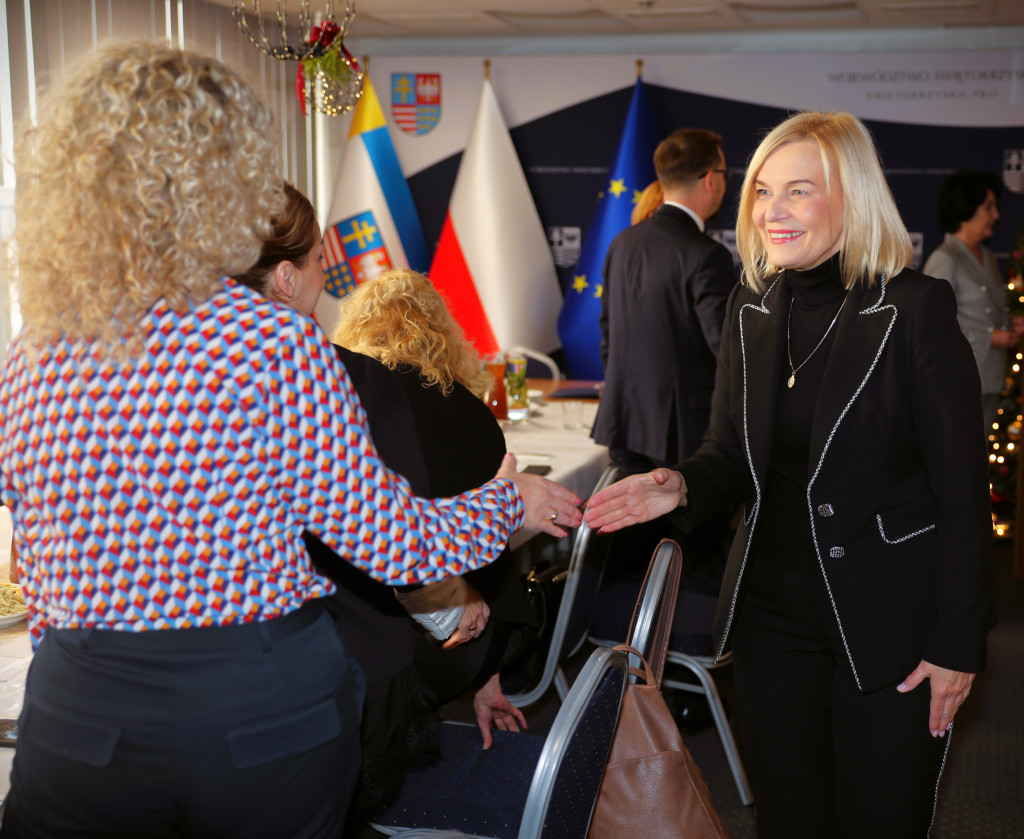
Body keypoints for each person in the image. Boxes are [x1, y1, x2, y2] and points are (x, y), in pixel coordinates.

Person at [0, 42, 581, 839]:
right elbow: (396, 545)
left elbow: (31, 549)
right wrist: (508, 502)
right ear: (225, 179)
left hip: (82, 709)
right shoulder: (272, 342)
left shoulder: (35, 349)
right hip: (256, 715)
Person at [584, 111, 996, 838]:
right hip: (771, 615)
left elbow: (961, 494)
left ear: (852, 196)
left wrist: (957, 642)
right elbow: (729, 453)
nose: (772, 211)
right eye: (763, 191)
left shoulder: (914, 308)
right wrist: (681, 484)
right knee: (788, 819)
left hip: (889, 619)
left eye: (798, 191)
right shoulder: (751, 306)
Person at [235, 199, 533, 828]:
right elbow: (393, 540)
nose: (325, 279)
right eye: (319, 262)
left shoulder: (140, 372)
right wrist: (512, 502)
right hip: (341, 678)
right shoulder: (337, 380)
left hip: (201, 692)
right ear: (286, 278)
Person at [592, 128, 737, 596]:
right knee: (691, 573)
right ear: (711, 179)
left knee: (632, 568)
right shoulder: (707, 255)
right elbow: (728, 354)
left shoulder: (622, 243)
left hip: (624, 424)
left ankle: (631, 638)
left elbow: (608, 338)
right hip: (683, 439)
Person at [923, 169, 1021, 429]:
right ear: (966, 208)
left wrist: (1010, 325)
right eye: (989, 207)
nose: (996, 216)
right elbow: (932, 327)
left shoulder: (988, 257)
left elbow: (986, 312)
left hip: (990, 378)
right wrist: (990, 338)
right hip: (958, 381)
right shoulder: (944, 259)